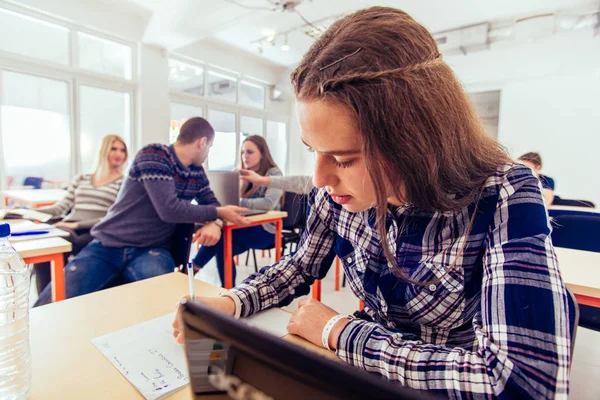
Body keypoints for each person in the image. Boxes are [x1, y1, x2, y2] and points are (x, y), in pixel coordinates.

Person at [173, 7, 575, 399]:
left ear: (414, 140)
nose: (319, 178)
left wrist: (342, 333)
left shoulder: (505, 192)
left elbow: (522, 383)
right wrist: (230, 302)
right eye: (313, 150)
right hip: (359, 375)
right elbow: (299, 266)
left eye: (344, 158)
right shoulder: (336, 194)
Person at [35, 117, 249, 306]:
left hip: (152, 249)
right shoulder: (154, 154)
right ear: (202, 142)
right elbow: (169, 209)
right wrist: (217, 213)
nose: (208, 152)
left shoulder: (196, 171)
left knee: (164, 306)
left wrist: (216, 222)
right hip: (109, 243)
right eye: (210, 147)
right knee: (51, 303)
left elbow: (212, 202)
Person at [34, 134, 128, 294]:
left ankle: (60, 294)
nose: (119, 154)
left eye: (122, 150)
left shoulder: (123, 182)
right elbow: (61, 207)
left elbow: (114, 216)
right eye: (114, 148)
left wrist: (75, 225)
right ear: (104, 150)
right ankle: (48, 297)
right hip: (68, 226)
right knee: (45, 245)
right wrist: (30, 212)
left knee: (65, 239)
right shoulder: (82, 178)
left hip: (96, 229)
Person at [192, 135, 283, 286]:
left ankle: (192, 269)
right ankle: (229, 292)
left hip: (267, 231)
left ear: (262, 153)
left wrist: (237, 203)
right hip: (242, 227)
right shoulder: (237, 173)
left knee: (221, 237)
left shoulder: (273, 174)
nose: (244, 156)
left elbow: (269, 203)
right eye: (242, 152)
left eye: (249, 152)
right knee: (224, 247)